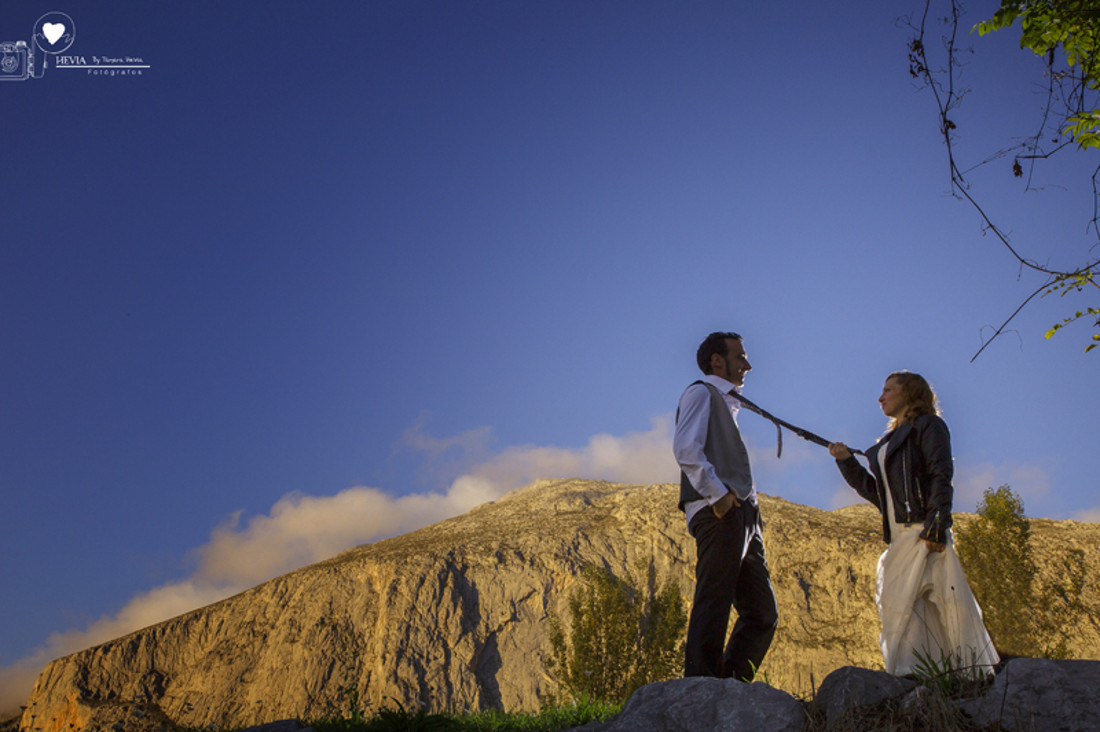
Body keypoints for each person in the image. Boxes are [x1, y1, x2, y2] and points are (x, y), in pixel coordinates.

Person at [829, 371, 999, 677]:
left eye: (888, 390)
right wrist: (846, 463)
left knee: (937, 607)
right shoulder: (890, 440)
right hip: (900, 536)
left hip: (922, 531)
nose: (881, 397)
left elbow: (940, 473)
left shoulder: (929, 426)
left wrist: (936, 525)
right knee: (908, 609)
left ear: (909, 394)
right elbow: (879, 495)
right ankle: (924, 674)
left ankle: (941, 675)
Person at [673, 331, 778, 680]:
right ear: (717, 360)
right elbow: (686, 449)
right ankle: (700, 686)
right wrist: (719, 497)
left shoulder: (729, 402)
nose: (747, 365)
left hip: (744, 515)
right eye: (740, 356)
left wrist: (750, 511)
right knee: (713, 599)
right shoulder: (700, 393)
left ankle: (730, 686)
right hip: (718, 510)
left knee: (763, 612)